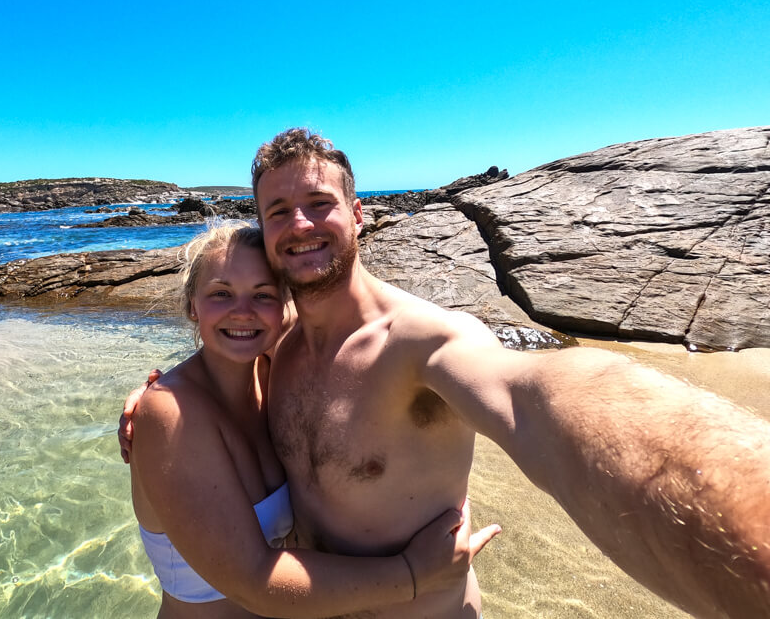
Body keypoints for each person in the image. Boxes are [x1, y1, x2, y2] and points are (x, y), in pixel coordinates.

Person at [126, 128, 770, 619]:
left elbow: (536, 396)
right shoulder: (278, 346)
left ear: (359, 214)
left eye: (319, 202)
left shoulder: (427, 342)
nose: (299, 225)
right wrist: (162, 403)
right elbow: (217, 380)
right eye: (277, 211)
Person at [128, 221, 501, 618]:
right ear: (192, 306)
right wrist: (412, 574)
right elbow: (256, 582)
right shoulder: (168, 412)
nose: (243, 312)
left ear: (282, 306)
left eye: (262, 294)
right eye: (221, 293)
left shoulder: (274, 381)